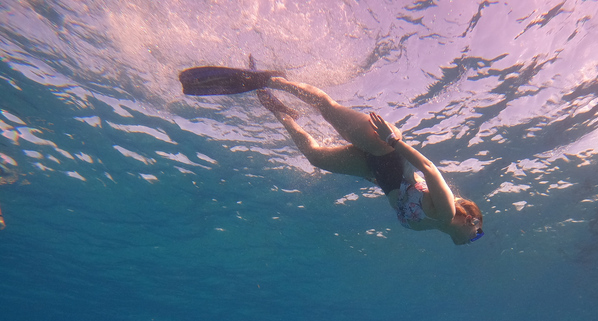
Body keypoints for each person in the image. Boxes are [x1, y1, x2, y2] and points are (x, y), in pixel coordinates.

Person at [178, 65, 483, 244]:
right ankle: (272, 80)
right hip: (385, 149)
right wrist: (394, 141)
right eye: (478, 234)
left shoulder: (432, 225)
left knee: (315, 156)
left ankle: (279, 111)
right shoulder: (444, 212)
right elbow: (429, 169)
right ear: (471, 221)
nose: (474, 240)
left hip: (373, 170)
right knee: (328, 110)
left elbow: (399, 193)